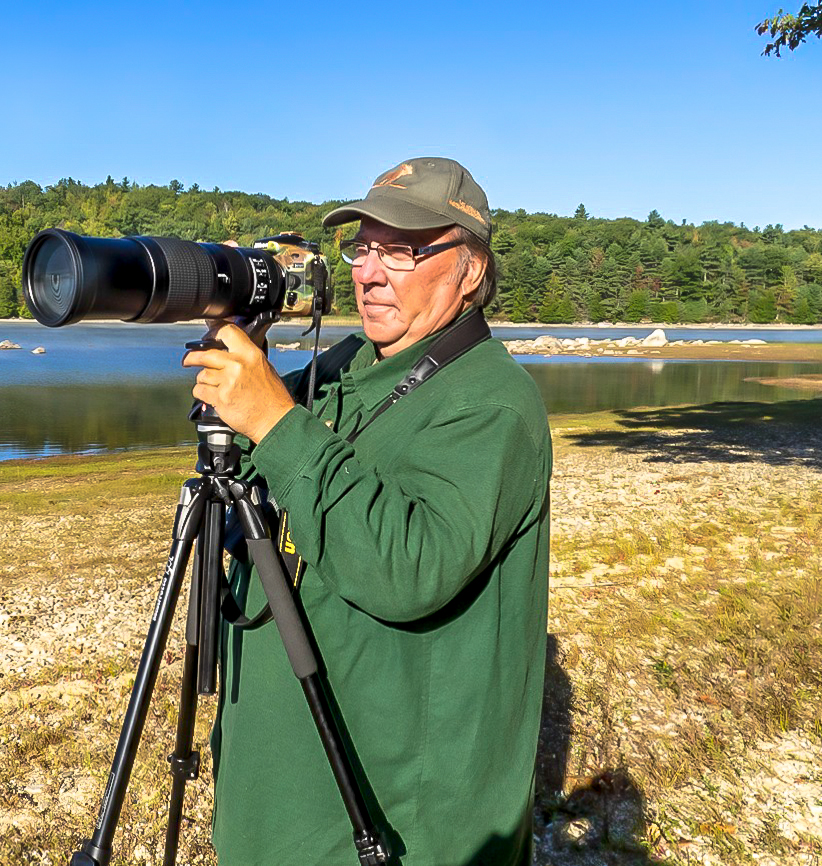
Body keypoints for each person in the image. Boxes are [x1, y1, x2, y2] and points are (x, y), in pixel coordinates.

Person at [183, 157, 551, 866]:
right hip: (281, 804)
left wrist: (280, 423)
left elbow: (408, 569)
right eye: (365, 246)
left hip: (388, 825)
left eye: (404, 249)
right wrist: (239, 346)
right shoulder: (350, 363)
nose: (370, 271)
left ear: (470, 269)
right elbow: (233, 437)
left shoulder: (493, 404)